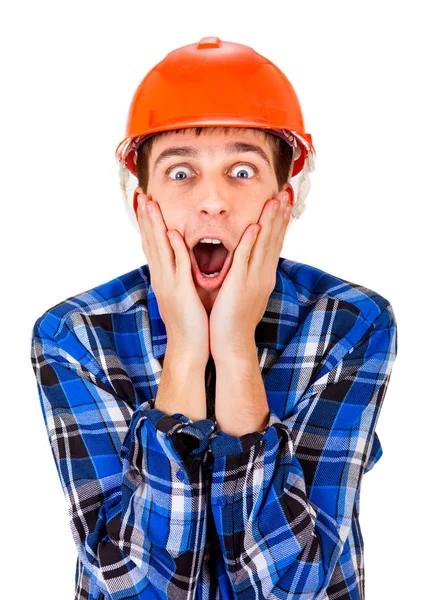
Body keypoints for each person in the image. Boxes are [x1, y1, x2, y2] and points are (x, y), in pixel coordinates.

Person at [30, 37, 398, 600]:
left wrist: (234, 351)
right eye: (180, 174)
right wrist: (184, 350)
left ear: (284, 200)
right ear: (142, 205)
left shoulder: (350, 324)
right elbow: (134, 588)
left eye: (243, 171)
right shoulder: (74, 338)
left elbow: (294, 586)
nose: (213, 202)